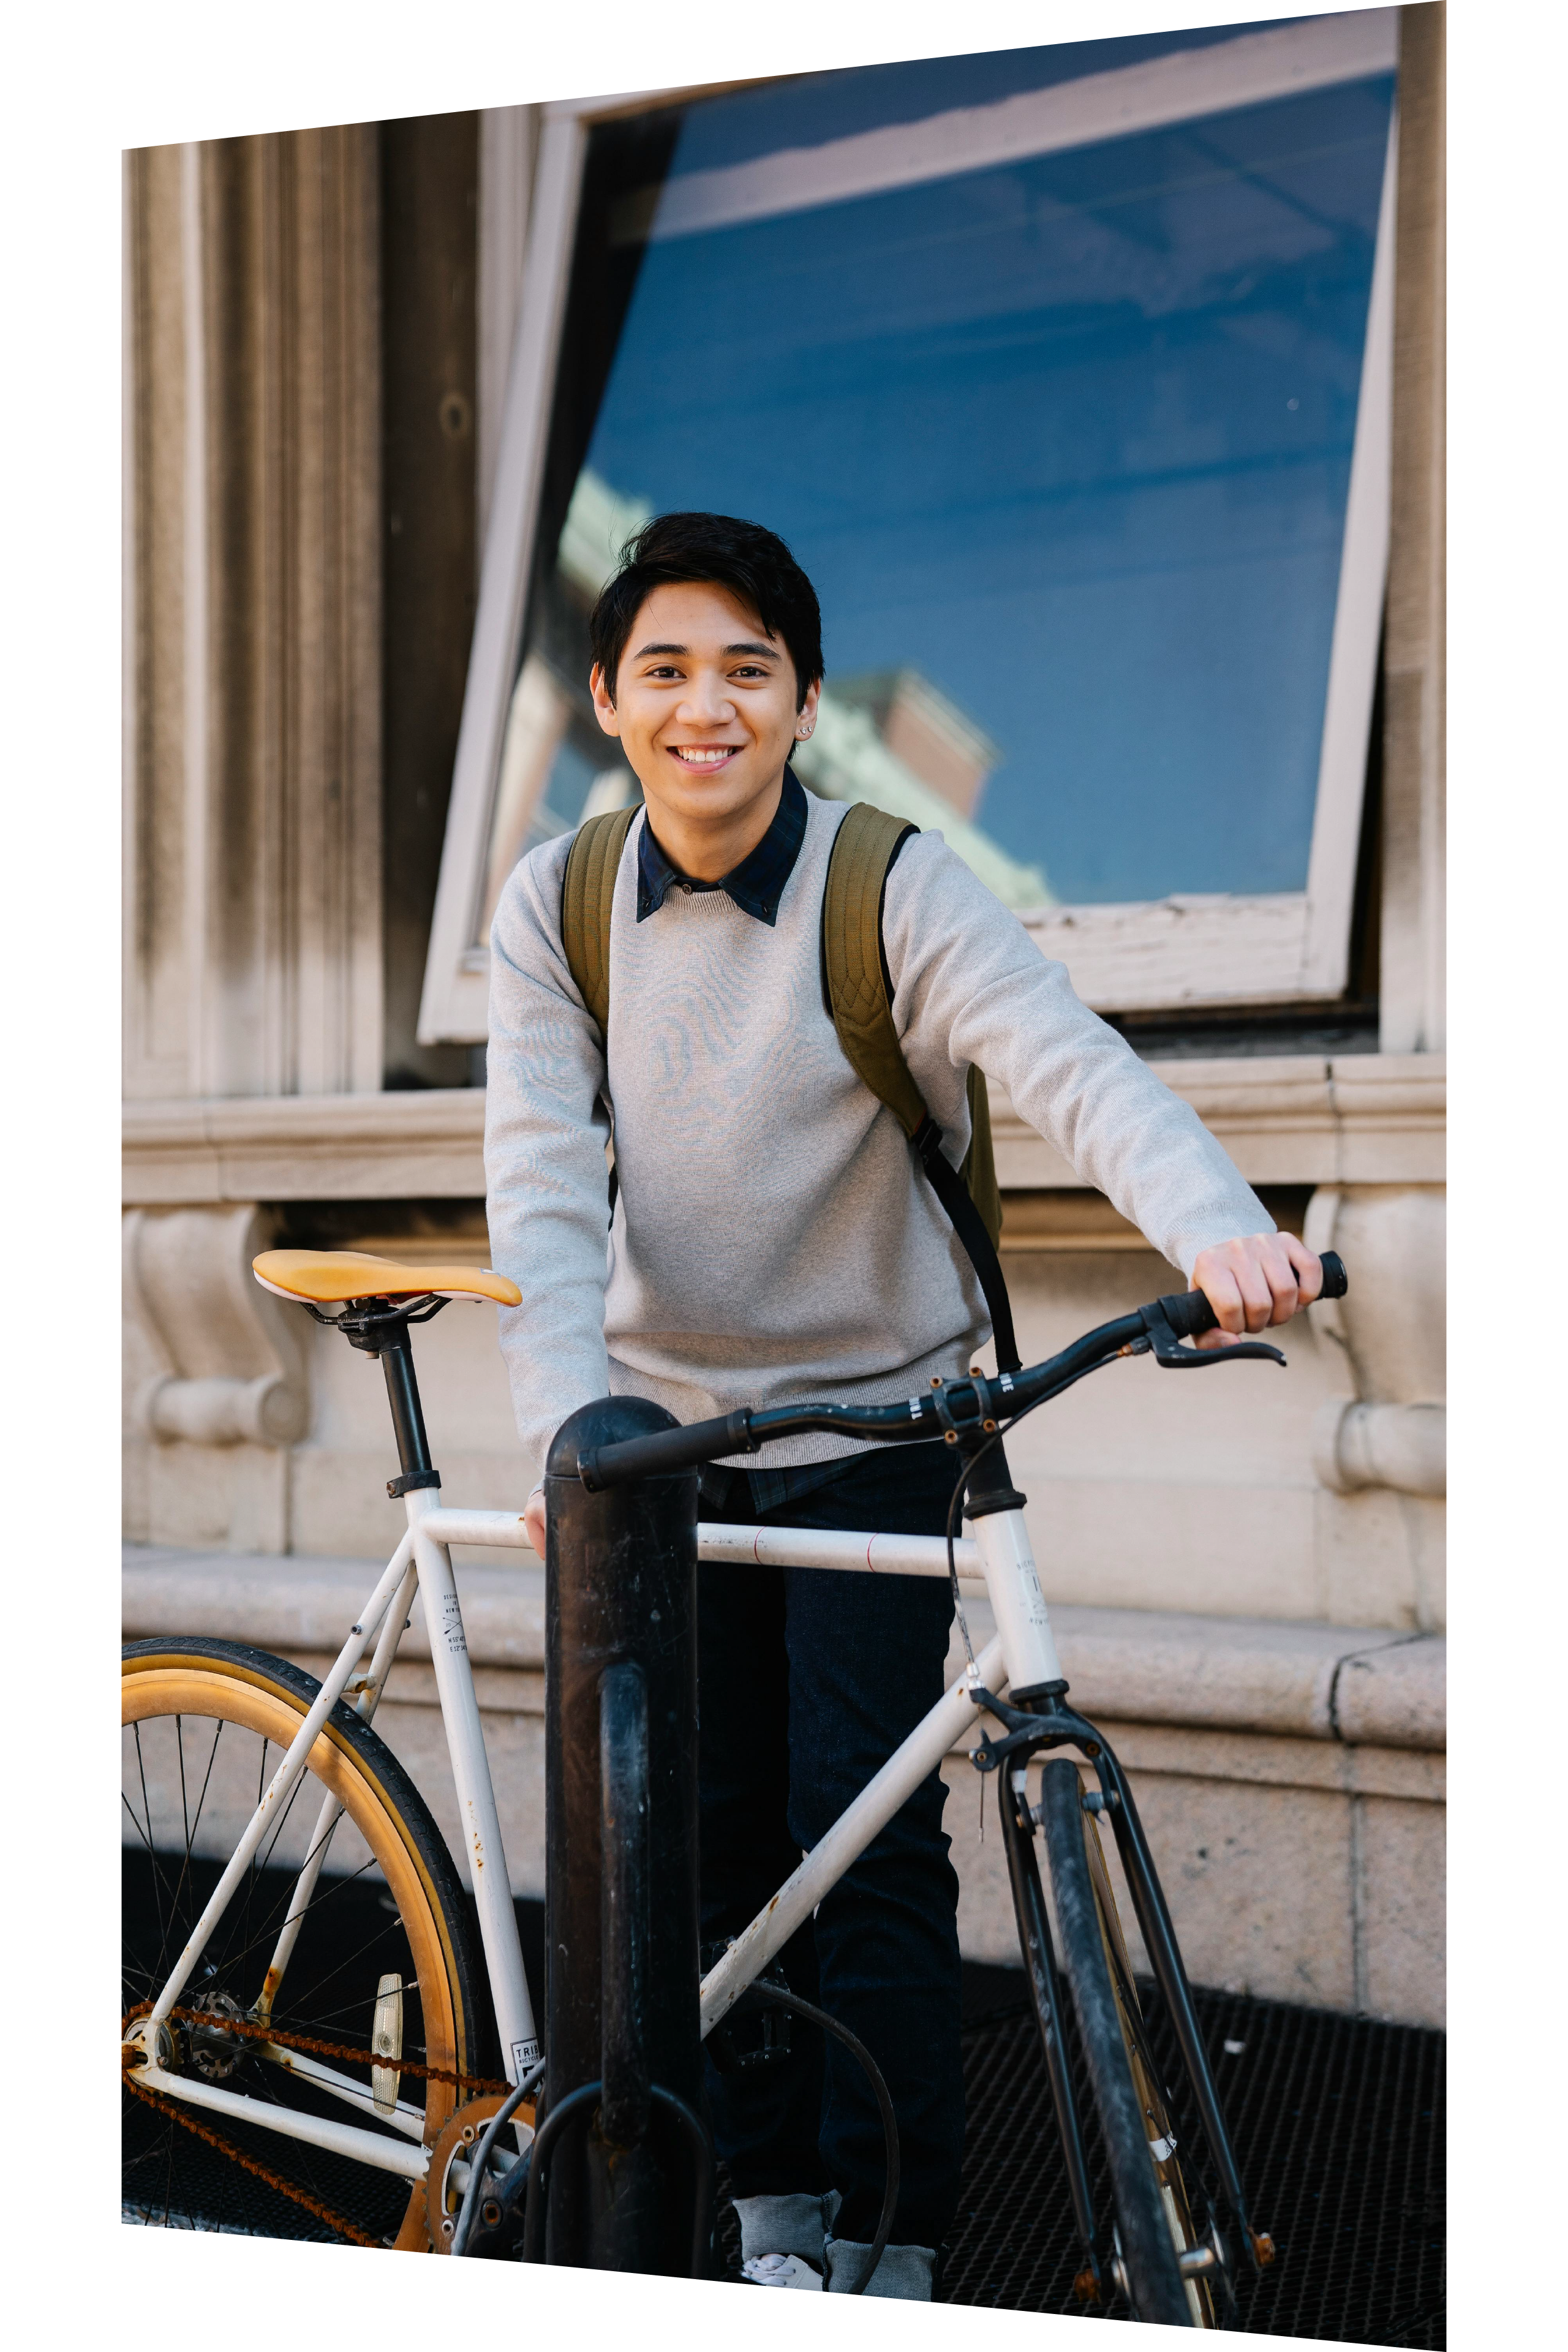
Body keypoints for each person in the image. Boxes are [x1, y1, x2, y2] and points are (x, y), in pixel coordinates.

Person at [485, 511, 1321, 2299]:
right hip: (673, 1431)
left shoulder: (890, 886)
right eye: (667, 671)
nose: (706, 704)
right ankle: (774, 2228)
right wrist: (575, 1420)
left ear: (798, 705)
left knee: (860, 1854)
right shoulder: (557, 907)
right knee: (700, 1853)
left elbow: (1068, 1062)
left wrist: (1223, 1226)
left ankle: (891, 2251)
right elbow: (544, 1189)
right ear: (606, 705)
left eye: (748, 671)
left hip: (879, 1415)